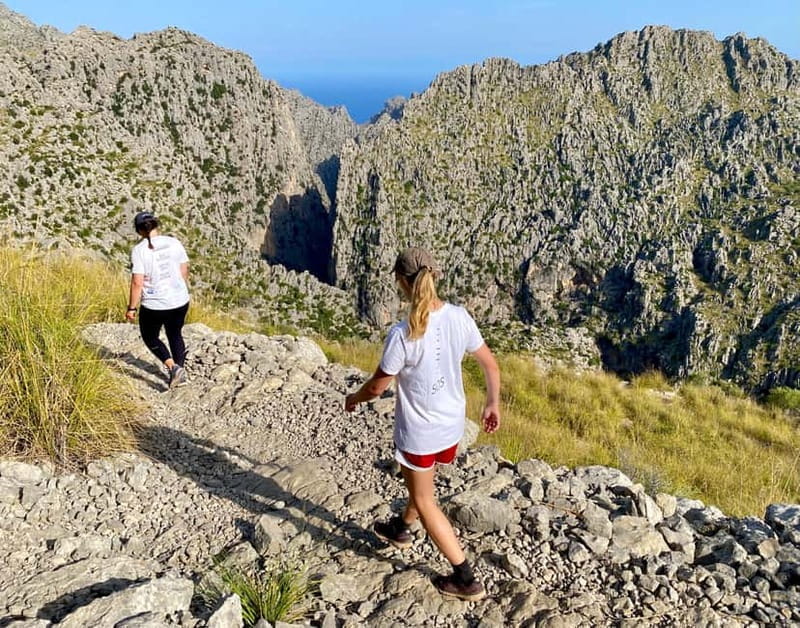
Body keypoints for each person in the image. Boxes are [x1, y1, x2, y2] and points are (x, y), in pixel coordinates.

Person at [345, 247, 501, 602]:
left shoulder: (402, 334)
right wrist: (492, 403)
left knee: (424, 498)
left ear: (402, 282)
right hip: (452, 426)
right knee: (422, 484)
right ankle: (401, 529)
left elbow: (376, 387)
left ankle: (464, 577)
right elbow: (491, 366)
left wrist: (354, 399)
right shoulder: (460, 317)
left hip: (420, 432)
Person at [125, 211, 190, 389]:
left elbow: (137, 283)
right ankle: (180, 372)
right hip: (180, 300)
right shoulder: (174, 242)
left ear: (139, 231)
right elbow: (184, 271)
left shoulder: (139, 251)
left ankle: (173, 368)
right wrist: (175, 290)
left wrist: (131, 308)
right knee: (175, 333)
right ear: (157, 225)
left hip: (155, 305)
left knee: (150, 336)